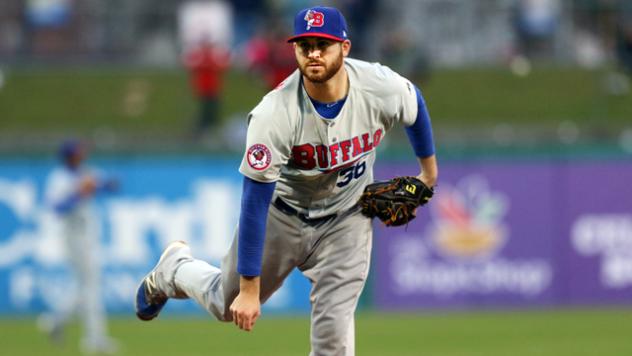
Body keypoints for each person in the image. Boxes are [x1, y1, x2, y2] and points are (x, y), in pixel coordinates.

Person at [135, 6, 437, 355]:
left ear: (345, 47)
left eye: (323, 45)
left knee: (332, 345)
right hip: (283, 216)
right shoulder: (274, 114)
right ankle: (174, 269)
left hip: (346, 221)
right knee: (224, 302)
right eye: (304, 45)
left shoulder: (379, 86)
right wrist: (249, 289)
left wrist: (428, 173)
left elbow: (414, 105)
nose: (313, 54)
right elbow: (253, 202)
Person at [39, 139, 119, 354]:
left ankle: (55, 320)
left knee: (86, 285)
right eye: (77, 152)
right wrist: (78, 193)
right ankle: (94, 339)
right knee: (91, 286)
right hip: (72, 236)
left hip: (87, 235)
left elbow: (112, 185)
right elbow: (55, 207)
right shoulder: (59, 178)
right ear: (68, 156)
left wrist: (102, 184)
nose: (81, 154)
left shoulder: (86, 171)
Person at [183, 38, 231, 136]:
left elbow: (223, 66)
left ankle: (211, 129)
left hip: (213, 88)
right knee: (204, 110)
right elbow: (191, 66)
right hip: (203, 88)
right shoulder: (199, 56)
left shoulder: (214, 56)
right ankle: (203, 129)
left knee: (213, 109)